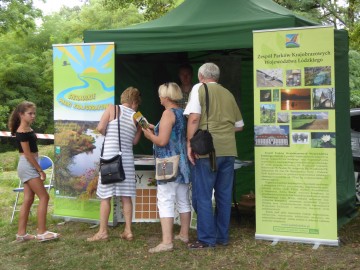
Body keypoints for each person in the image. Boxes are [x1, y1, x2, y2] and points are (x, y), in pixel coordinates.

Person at [184, 63, 244, 249]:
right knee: (224, 197)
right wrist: (223, 130)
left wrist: (189, 143)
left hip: (208, 150)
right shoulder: (228, 94)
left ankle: (206, 239)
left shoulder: (199, 88)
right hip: (229, 150)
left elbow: (194, 118)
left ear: (201, 76)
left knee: (202, 196)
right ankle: (221, 237)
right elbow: (240, 126)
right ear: (217, 77)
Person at [87, 87, 142, 242]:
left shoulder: (112, 108)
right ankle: (128, 231)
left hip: (110, 158)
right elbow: (135, 141)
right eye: (137, 103)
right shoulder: (138, 117)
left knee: (106, 196)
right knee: (126, 197)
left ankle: (103, 232)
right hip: (127, 161)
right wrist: (137, 130)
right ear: (134, 102)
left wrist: (110, 135)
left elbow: (100, 128)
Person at [142, 82, 191, 253]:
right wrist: (154, 128)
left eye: (161, 94)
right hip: (183, 162)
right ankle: (184, 234)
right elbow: (173, 135)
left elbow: (162, 141)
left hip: (168, 163)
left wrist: (149, 135)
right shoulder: (182, 112)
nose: (159, 98)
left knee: (165, 200)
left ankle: (167, 242)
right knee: (183, 199)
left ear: (166, 97)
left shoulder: (167, 113)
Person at [8, 101, 60, 242]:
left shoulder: (28, 129)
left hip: (28, 165)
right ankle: (42, 232)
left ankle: (21, 234)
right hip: (28, 165)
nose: (33, 116)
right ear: (21, 114)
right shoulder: (21, 132)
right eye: (30, 113)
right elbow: (28, 154)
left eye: (34, 113)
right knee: (44, 197)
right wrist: (40, 170)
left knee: (28, 199)